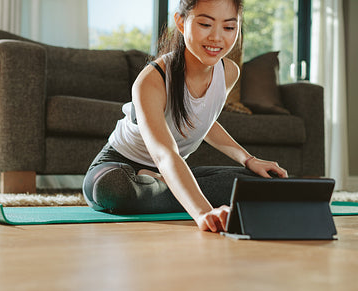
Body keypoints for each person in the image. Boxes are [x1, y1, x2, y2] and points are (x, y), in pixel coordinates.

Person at [83, 0, 288, 233]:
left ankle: (167, 185)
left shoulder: (229, 72)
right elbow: (164, 153)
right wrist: (203, 212)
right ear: (181, 22)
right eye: (205, 24)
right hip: (119, 167)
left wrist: (248, 160)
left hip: (168, 171)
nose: (217, 37)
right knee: (114, 189)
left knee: (264, 181)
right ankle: (177, 190)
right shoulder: (152, 79)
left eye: (229, 27)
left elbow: (204, 120)